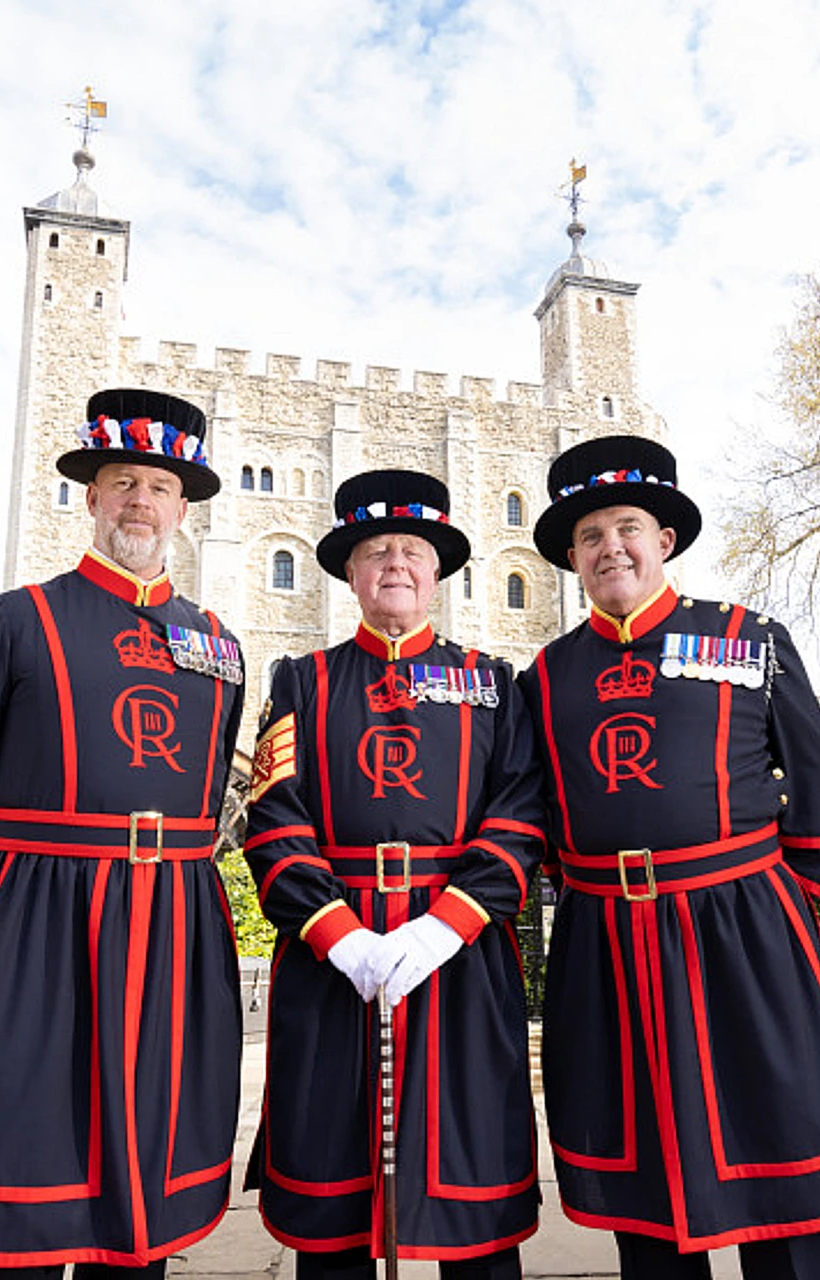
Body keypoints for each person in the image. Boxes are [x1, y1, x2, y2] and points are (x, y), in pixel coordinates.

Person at [0, 389, 247, 1279]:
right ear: (90, 497)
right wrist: (18, 878)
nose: (140, 500)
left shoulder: (218, 643)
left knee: (146, 1162)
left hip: (170, 919)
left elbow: (212, 789)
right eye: (121, 480)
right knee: (27, 1147)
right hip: (38, 911)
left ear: (182, 506)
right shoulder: (13, 618)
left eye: (159, 485)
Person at [517, 435, 820, 1280]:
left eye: (627, 527)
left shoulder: (750, 639)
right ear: (571, 558)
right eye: (591, 536)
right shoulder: (543, 675)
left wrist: (786, 897)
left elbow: (814, 781)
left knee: (782, 1155)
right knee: (643, 1175)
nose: (612, 548)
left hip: (742, 931)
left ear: (664, 539)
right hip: (606, 942)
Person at [242, 470, 546, 1280]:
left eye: (413, 550)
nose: (396, 565)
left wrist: (445, 923)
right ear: (350, 574)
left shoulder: (493, 684)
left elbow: (520, 817)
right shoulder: (300, 683)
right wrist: (341, 938)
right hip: (332, 958)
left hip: (461, 956)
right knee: (333, 1201)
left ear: (437, 572)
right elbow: (273, 817)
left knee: (471, 1195)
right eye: (377, 552)